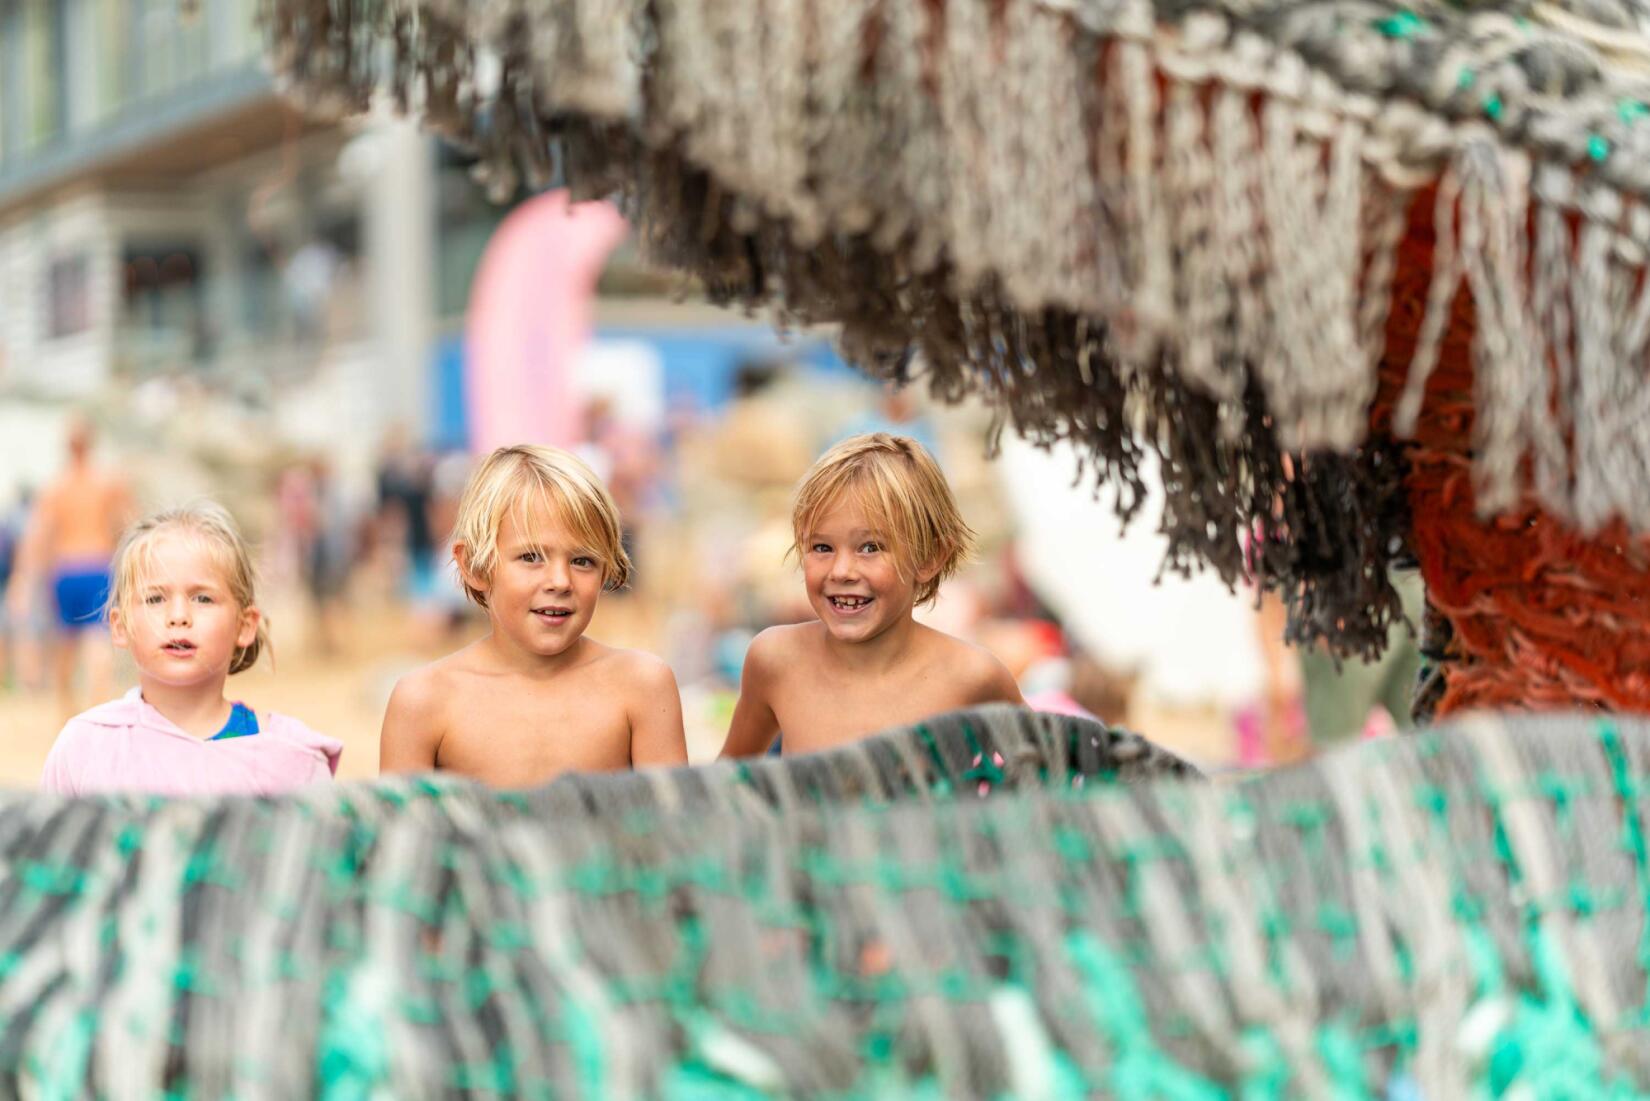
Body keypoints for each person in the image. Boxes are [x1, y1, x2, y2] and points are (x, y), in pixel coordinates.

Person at [379, 445, 688, 786]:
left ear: (605, 573)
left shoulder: (642, 687)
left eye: (582, 560)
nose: (560, 581)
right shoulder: (424, 702)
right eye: (531, 557)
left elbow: (671, 830)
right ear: (473, 566)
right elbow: (405, 836)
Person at [720, 433, 1023, 758]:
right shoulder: (776, 661)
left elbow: (1050, 784)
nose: (841, 571)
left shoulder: (972, 677)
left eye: (870, 548)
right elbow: (726, 784)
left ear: (929, 557)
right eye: (822, 547)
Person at [40, 503, 342, 796]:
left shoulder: (289, 759)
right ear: (120, 626)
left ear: (245, 625)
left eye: (203, 599)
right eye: (155, 599)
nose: (179, 616)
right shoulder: (85, 749)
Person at [4, 418, 133, 718]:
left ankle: (66, 713)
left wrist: (21, 579)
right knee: (98, 638)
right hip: (98, 566)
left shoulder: (55, 487)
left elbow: (38, 536)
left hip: (65, 571)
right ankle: (98, 708)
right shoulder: (108, 482)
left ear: (66, 446)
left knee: (65, 641)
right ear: (92, 444)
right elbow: (126, 524)